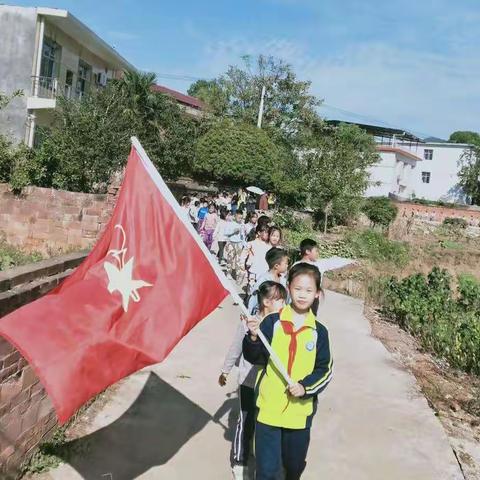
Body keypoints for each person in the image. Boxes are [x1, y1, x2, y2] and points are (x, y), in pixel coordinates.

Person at [243, 263, 333, 480]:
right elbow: (254, 358)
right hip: (269, 408)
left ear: (317, 294)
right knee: (266, 470)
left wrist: (305, 387)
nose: (302, 295)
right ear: (289, 287)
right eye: (298, 289)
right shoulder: (272, 322)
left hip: (299, 413)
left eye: (309, 290)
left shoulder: (318, 332)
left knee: (293, 466)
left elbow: (325, 370)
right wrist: (253, 338)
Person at [219, 281, 288, 480]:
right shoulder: (250, 322)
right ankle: (239, 461)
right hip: (249, 382)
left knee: (266, 423)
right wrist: (225, 370)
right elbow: (236, 348)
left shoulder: (281, 324)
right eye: (280, 300)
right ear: (266, 301)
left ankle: (266, 459)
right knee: (246, 420)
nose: (284, 303)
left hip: (271, 385)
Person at [247, 248, 289, 314]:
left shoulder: (283, 280)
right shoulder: (263, 280)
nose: (287, 266)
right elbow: (253, 300)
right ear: (276, 266)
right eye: (286, 263)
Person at [244, 224, 271, 292]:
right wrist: (243, 266)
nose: (267, 234)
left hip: (264, 270)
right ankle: (248, 299)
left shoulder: (269, 246)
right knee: (251, 286)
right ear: (259, 233)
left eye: (268, 233)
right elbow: (244, 255)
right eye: (266, 232)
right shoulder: (251, 243)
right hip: (253, 269)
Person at [224, 210, 246, 282]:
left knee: (238, 260)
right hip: (231, 242)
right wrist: (233, 231)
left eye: (241, 218)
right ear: (235, 216)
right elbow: (226, 233)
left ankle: (237, 274)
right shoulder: (230, 224)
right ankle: (228, 272)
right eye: (239, 218)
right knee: (230, 258)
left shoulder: (242, 225)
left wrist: (244, 244)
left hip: (239, 243)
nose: (240, 219)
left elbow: (243, 236)